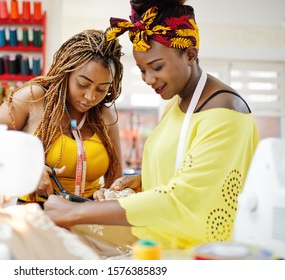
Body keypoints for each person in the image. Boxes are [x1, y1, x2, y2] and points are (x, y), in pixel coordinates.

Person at [44, 0, 260, 250]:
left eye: (156, 67)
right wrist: (142, 181)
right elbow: (193, 171)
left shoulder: (225, 113)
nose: (148, 79)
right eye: (142, 70)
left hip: (199, 257)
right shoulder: (177, 103)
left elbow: (183, 199)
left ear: (190, 54)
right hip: (161, 245)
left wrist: (74, 212)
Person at [0, 29, 124, 206]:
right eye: (83, 84)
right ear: (66, 72)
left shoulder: (105, 117)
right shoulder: (34, 99)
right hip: (34, 215)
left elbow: (117, 181)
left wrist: (108, 194)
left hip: (88, 217)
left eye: (102, 89)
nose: (90, 97)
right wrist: (27, 168)